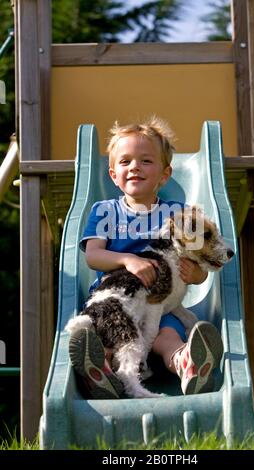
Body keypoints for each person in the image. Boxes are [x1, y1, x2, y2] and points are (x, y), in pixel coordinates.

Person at [69, 116, 223, 399]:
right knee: (109, 335)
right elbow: (94, 255)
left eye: (146, 161)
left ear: (164, 175)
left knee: (168, 338)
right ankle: (100, 373)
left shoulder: (179, 213)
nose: (135, 167)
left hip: (163, 306)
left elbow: (200, 255)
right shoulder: (106, 211)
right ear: (114, 175)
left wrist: (198, 275)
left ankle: (188, 366)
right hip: (119, 301)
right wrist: (128, 260)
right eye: (125, 162)